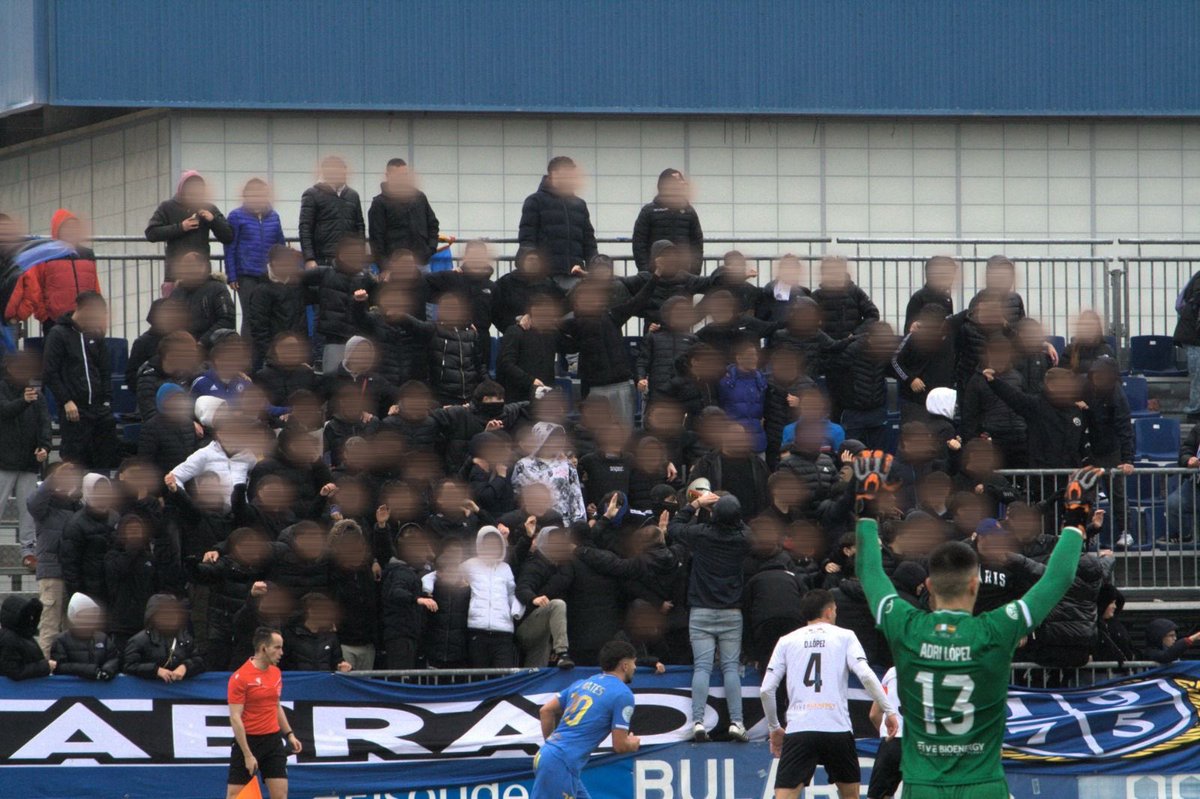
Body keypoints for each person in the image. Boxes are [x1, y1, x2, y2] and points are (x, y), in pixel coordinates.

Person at [854, 453, 1094, 799]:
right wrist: (1075, 522)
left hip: (924, 787)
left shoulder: (905, 625)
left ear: (930, 587)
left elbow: (869, 573)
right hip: (983, 786)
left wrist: (865, 514)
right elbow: (1058, 579)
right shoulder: (996, 630)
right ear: (974, 585)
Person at [760, 590, 898, 799]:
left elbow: (766, 689)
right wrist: (889, 710)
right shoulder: (845, 636)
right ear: (829, 611)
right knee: (850, 795)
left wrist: (774, 727)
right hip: (837, 728)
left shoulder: (787, 641)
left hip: (800, 728)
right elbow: (866, 676)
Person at [668, 491, 751, 742]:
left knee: (702, 668)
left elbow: (673, 528)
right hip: (731, 612)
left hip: (701, 611)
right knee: (730, 669)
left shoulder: (701, 534)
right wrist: (730, 509)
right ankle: (737, 722)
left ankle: (698, 722)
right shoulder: (743, 538)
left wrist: (695, 504)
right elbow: (747, 529)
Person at [533, 640, 641, 799]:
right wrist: (633, 743)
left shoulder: (583, 683)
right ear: (624, 665)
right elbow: (620, 745)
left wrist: (552, 745)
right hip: (561, 764)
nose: (635, 668)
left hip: (548, 756)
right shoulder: (623, 695)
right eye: (634, 663)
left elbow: (546, 710)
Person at [41, 291, 120, 469]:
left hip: (99, 409)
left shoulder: (95, 335)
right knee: (75, 460)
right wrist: (66, 401)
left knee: (103, 457)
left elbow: (104, 370)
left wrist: (106, 401)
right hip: (74, 410)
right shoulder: (58, 334)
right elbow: (50, 372)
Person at [227, 627, 303, 799]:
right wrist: (247, 754)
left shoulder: (276, 673)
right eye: (277, 647)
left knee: (280, 794)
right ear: (263, 648)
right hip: (248, 741)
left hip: (272, 741)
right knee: (235, 795)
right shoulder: (241, 677)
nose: (281, 652)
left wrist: (289, 734)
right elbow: (235, 717)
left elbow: (275, 705)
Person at [0, 350, 50, 570]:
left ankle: (28, 550)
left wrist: (44, 446)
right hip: (3, 460)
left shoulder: (37, 395)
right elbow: (4, 411)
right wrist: (24, 401)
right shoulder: (2, 389)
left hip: (29, 462)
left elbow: (44, 423)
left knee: (28, 509)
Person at [518, 157, 597, 289]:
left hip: (575, 275)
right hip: (545, 277)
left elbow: (589, 242)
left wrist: (594, 268)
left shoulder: (579, 204)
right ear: (553, 174)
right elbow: (527, 239)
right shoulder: (535, 201)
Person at [225, 178, 286, 329]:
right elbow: (230, 247)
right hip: (246, 275)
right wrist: (231, 275)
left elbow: (281, 245)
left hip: (270, 275)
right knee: (251, 314)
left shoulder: (274, 217)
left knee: (271, 314)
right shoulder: (236, 216)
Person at [145, 170, 234, 262]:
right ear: (182, 189)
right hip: (175, 271)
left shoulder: (209, 208)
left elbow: (228, 236)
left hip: (201, 270)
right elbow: (151, 233)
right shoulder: (167, 207)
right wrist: (181, 227)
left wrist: (213, 220)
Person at [368, 158, 440, 265]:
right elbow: (376, 238)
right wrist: (384, 267)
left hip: (421, 263)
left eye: (405, 175)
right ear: (388, 176)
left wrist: (430, 249)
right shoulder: (379, 203)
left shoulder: (419, 198)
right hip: (394, 266)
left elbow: (433, 224)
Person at [631, 168, 704, 272]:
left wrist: (694, 273)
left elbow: (697, 244)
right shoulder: (649, 211)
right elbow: (639, 243)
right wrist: (646, 271)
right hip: (655, 274)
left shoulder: (689, 211)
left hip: (683, 275)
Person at [299, 155, 365, 268]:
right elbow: (305, 228)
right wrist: (309, 258)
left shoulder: (353, 195)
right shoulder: (312, 194)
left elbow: (360, 227)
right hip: (323, 260)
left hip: (349, 260)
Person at [50, 593, 119, 680]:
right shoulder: (61, 640)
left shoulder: (102, 638)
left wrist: (108, 670)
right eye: (84, 616)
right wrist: (89, 670)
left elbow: (114, 658)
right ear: (74, 617)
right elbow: (58, 667)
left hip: (102, 690)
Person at [867, 666, 904, 799]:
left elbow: (874, 714)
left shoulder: (892, 673)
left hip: (893, 742)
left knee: (879, 795)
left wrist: (888, 734)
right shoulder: (932, 669)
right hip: (922, 743)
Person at [0, 595, 54, 679]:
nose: (30, 618)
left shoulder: (24, 635)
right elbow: (14, 671)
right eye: (26, 615)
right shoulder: (8, 639)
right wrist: (45, 666)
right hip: (16, 690)